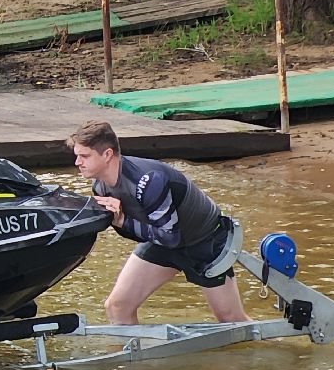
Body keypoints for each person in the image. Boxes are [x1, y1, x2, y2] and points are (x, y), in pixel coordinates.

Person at [67, 121, 250, 325]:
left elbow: (170, 237)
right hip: (163, 240)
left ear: (107, 154)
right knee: (117, 306)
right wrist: (114, 220)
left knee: (230, 319)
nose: (77, 162)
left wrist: (123, 220)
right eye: (77, 156)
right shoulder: (100, 185)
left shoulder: (148, 180)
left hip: (206, 241)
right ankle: (132, 355)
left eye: (84, 156)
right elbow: (139, 234)